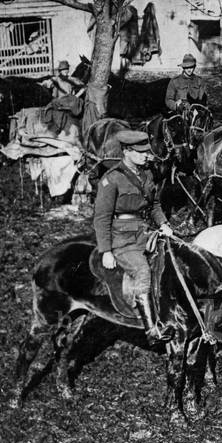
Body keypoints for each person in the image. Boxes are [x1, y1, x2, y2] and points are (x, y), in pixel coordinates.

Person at [93, 130, 175, 343]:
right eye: (141, 152)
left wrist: (164, 223)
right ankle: (151, 330)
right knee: (142, 270)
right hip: (123, 239)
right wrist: (106, 251)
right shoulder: (111, 179)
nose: (146, 156)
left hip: (146, 232)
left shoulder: (147, 174)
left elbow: (155, 204)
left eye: (147, 152)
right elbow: (101, 218)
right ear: (127, 152)